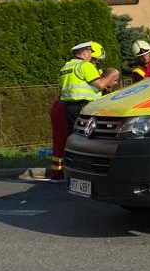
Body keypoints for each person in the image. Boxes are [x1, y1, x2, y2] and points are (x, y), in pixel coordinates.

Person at [51, 41, 119, 180]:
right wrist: (111, 75)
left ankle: (72, 170)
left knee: (74, 139)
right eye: (94, 57)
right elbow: (100, 85)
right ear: (86, 52)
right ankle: (88, 171)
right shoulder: (84, 65)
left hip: (68, 107)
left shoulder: (66, 66)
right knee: (89, 140)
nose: (94, 62)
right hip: (84, 108)